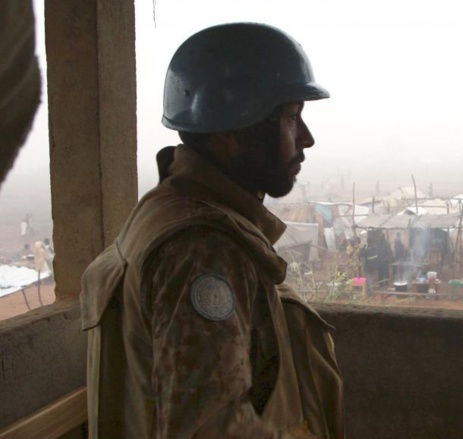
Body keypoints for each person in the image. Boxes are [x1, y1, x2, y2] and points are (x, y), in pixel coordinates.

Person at [80, 23, 343, 438]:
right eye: (291, 117)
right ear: (228, 130)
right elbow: (209, 429)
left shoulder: (167, 210)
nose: (306, 138)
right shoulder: (201, 249)